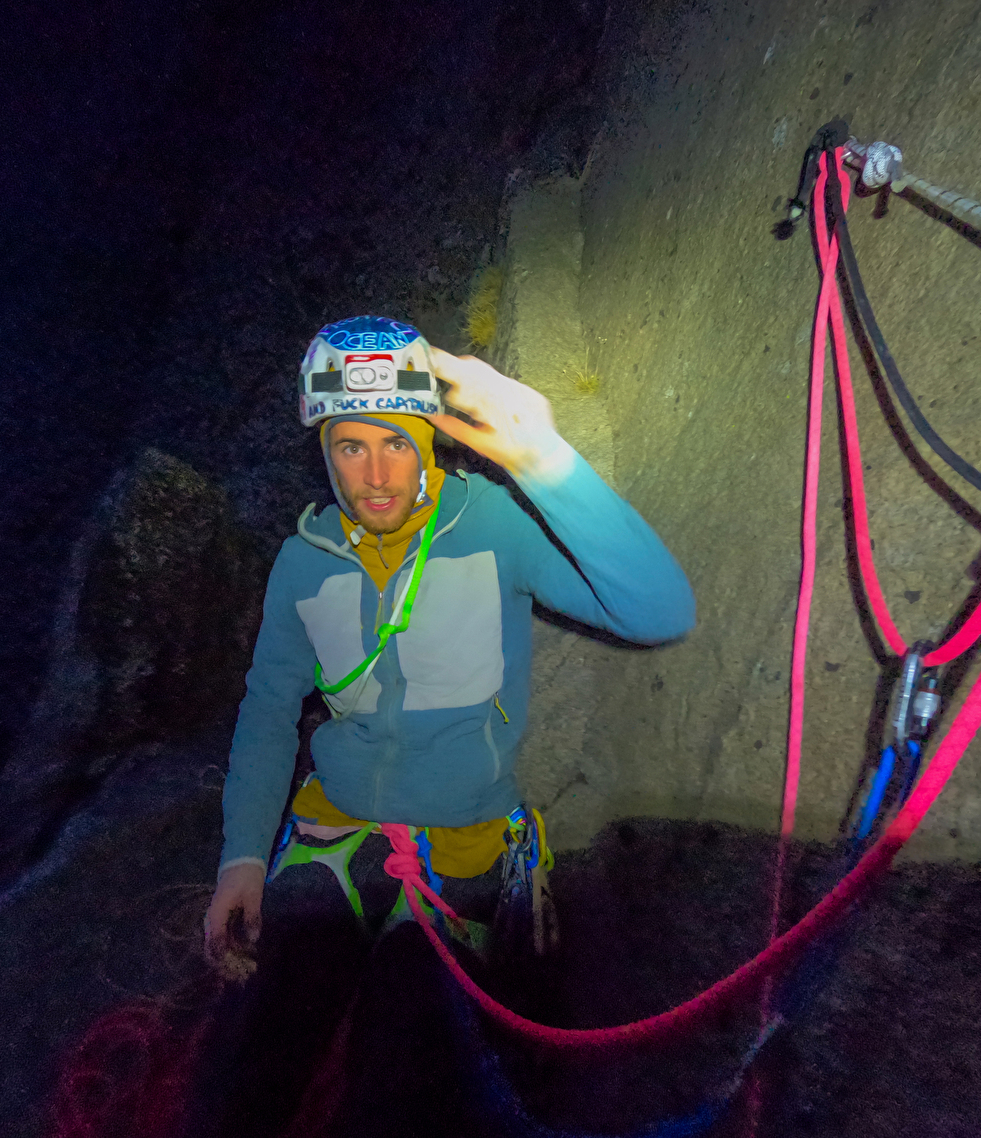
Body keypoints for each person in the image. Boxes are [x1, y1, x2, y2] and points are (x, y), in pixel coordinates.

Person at [197, 315, 693, 1130]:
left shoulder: (490, 526)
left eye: (398, 440)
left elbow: (657, 610)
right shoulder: (303, 561)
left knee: (399, 1085)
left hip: (459, 848)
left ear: (430, 436)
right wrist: (243, 857)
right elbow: (267, 711)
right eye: (350, 446)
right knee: (239, 1080)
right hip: (331, 837)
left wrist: (542, 458)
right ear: (322, 449)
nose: (377, 474)